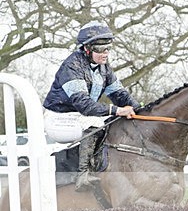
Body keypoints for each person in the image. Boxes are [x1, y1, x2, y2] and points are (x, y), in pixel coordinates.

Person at [43, 21, 140, 191]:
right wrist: (117, 110)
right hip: (58, 119)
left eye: (108, 48)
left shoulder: (104, 69)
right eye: (100, 49)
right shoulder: (71, 67)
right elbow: (85, 106)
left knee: (110, 122)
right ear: (87, 49)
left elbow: (120, 95)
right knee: (95, 123)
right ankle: (82, 176)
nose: (105, 54)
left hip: (79, 117)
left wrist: (140, 110)